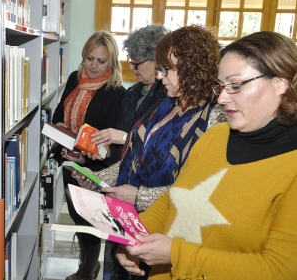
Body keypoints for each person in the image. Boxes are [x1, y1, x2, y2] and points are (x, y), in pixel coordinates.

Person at [115, 30, 297, 279]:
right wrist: (133, 238)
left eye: (235, 85)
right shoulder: (215, 137)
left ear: (281, 83)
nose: (221, 98)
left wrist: (177, 254)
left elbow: (279, 270)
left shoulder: (290, 166)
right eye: (221, 86)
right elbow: (174, 199)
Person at [72, 25, 228, 280]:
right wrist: (101, 178)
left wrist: (140, 196)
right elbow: (135, 157)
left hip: (165, 237)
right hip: (125, 221)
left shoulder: (214, 118)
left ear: (191, 68)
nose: (159, 76)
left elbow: (202, 189)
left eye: (166, 69)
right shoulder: (166, 102)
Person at [52, 30, 126, 280]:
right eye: (89, 58)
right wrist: (62, 130)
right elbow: (57, 116)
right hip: (68, 161)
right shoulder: (75, 78)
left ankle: (86, 272)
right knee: (75, 215)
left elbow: (111, 144)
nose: (94, 66)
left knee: (90, 222)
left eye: (101, 61)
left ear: (112, 62)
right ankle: (88, 267)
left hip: (93, 169)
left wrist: (84, 157)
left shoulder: (117, 92)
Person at [90, 24, 169, 165]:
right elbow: (118, 151)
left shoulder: (167, 97)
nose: (131, 67)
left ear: (157, 60)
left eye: (136, 63)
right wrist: (99, 153)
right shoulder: (132, 93)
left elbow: (160, 148)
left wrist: (125, 138)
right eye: (131, 61)